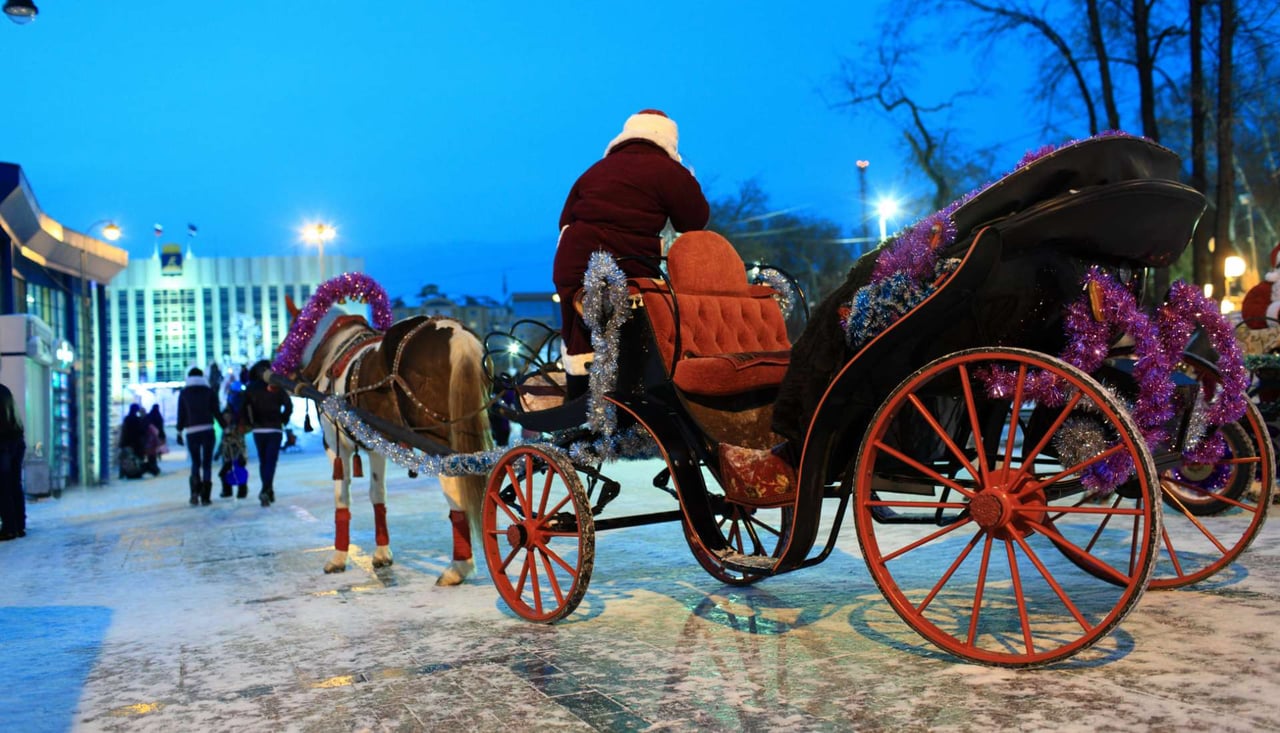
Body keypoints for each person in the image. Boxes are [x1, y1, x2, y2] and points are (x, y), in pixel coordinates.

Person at [553, 108, 709, 399]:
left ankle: (579, 405)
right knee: (634, 336)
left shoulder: (594, 171)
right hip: (628, 264)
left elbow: (565, 219)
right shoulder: (668, 171)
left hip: (573, 261)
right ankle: (633, 403)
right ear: (668, 141)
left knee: (581, 337)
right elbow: (694, 221)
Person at [242, 359, 292, 507]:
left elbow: (243, 407)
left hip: (258, 429)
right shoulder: (276, 386)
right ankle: (266, 489)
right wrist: (283, 419)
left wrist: (250, 423)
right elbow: (288, 405)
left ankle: (267, 490)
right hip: (275, 428)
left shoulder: (251, 388)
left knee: (263, 461)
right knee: (271, 461)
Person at [175, 366, 224, 505]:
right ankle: (206, 496)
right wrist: (225, 427)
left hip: (191, 432)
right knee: (207, 463)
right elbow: (216, 411)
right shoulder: (209, 391)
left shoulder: (184, 393)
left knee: (195, 462)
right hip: (208, 430)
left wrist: (179, 431)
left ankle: (194, 493)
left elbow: (181, 414)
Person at [0, 382, 26, 541]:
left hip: (2, 446)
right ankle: (19, 525)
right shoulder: (4, 390)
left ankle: (9, 528)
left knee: (3, 487)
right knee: (14, 485)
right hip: (16, 442)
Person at [118, 404, 149, 479]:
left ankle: (123, 473)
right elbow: (141, 431)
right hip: (135, 444)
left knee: (125, 459)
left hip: (126, 443)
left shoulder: (126, 419)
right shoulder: (137, 419)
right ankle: (135, 472)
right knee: (136, 458)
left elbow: (124, 431)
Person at [142, 404, 167, 476]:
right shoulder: (158, 415)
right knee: (155, 451)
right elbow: (161, 425)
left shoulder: (149, 416)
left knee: (152, 453)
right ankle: (155, 466)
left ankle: (154, 467)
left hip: (150, 438)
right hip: (156, 436)